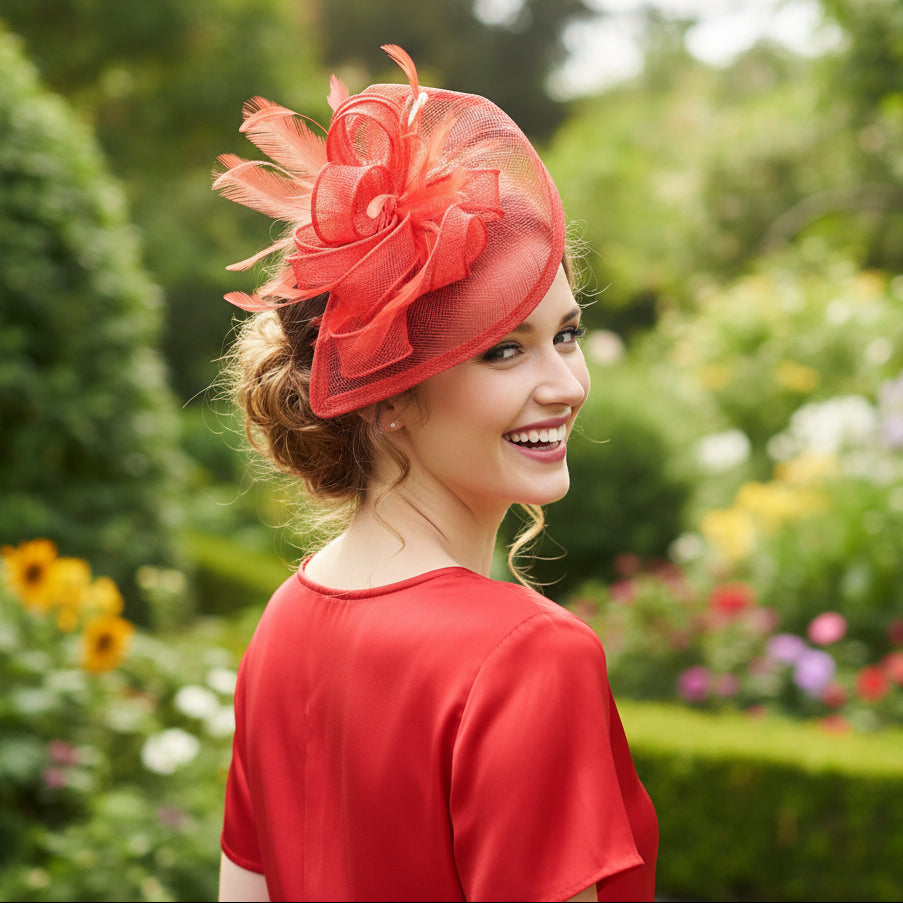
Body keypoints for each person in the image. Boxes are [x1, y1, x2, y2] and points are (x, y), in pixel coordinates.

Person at [213, 44, 657, 903]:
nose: (566, 385)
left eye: (565, 335)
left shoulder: (284, 621)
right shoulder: (528, 657)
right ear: (387, 396)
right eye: (503, 350)